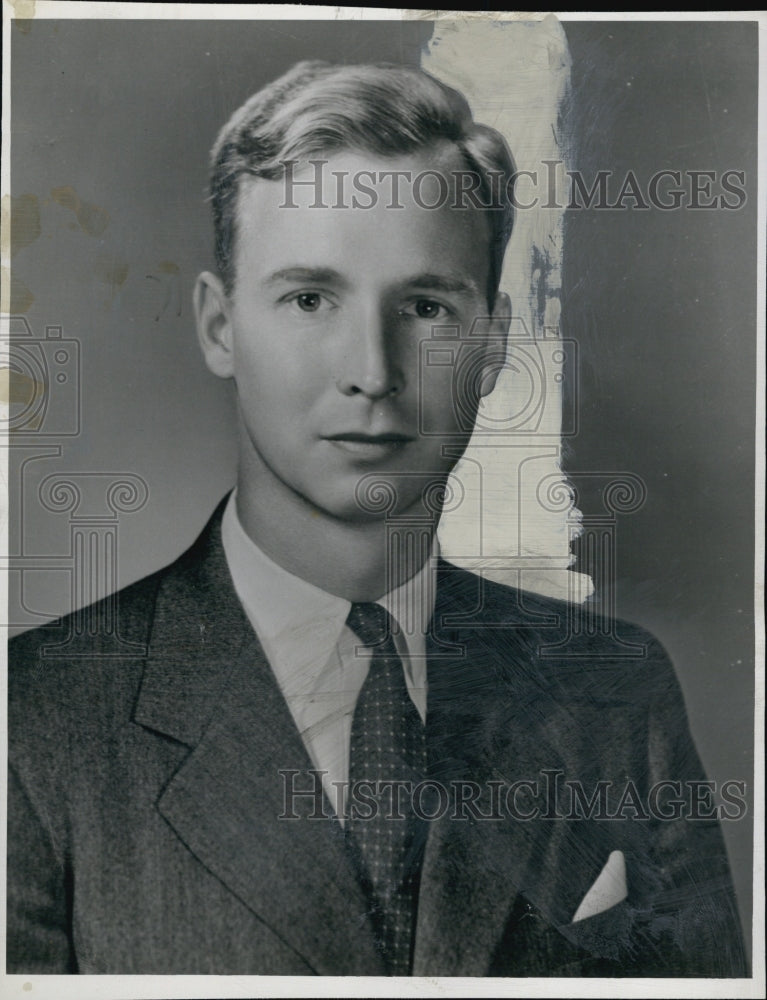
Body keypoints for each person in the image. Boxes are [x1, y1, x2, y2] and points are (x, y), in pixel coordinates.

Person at [6, 60, 747, 978]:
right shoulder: (31, 719)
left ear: (492, 344)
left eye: (426, 306)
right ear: (218, 326)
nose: (372, 370)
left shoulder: (616, 694)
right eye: (310, 298)